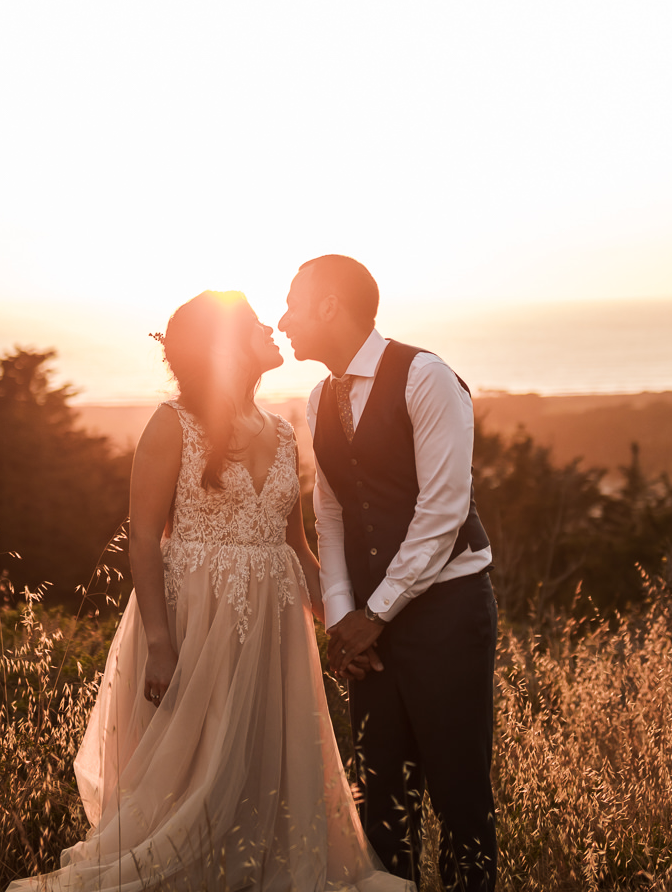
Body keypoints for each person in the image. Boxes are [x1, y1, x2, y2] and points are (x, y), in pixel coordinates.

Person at [8, 290, 410, 892]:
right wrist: (161, 643)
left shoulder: (281, 427)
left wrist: (339, 626)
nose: (271, 326)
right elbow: (143, 538)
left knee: (258, 764)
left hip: (273, 626)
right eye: (253, 323)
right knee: (194, 765)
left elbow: (296, 548)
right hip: (194, 617)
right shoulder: (173, 424)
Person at [278, 256, 499, 892]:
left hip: (446, 613)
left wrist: (374, 615)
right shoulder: (319, 396)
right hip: (368, 625)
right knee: (383, 799)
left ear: (328, 306)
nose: (284, 319)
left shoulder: (425, 377)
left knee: (459, 793)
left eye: (294, 303)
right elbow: (332, 510)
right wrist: (345, 614)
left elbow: (442, 512)